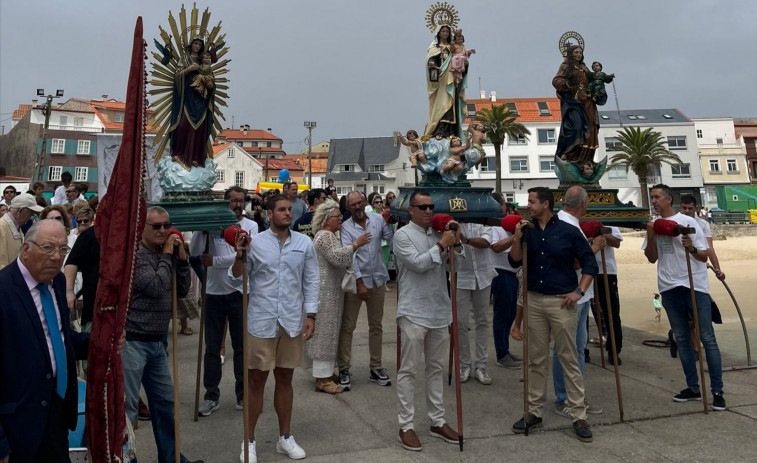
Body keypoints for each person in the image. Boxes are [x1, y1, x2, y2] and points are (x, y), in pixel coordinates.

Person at [0, 219, 112, 461]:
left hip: (56, 412)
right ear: (26, 248)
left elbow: (61, 338)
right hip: (16, 424)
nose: (56, 257)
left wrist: (102, 343)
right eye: (48, 248)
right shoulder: (4, 290)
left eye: (63, 250)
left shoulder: (57, 283)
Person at [231, 194, 319, 462]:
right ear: (269, 214)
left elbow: (312, 279)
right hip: (261, 320)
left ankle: (285, 437)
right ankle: (248, 441)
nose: (287, 214)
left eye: (289, 210)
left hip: (291, 321)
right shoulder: (254, 243)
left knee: (285, 379)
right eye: (281, 210)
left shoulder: (304, 243)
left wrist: (311, 314)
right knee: (256, 381)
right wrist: (240, 256)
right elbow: (236, 277)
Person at [509, 187, 598, 443]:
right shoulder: (527, 232)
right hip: (534, 300)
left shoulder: (569, 231)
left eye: (532, 201)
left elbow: (589, 263)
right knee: (535, 358)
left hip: (562, 302)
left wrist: (579, 292)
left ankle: (579, 414)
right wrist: (516, 237)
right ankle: (534, 412)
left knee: (568, 358)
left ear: (546, 204)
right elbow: (515, 261)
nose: (528, 205)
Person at [121, 206, 202, 463]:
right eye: (156, 226)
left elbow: (182, 288)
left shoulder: (166, 253)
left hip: (157, 341)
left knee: (165, 405)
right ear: (142, 228)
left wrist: (181, 259)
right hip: (133, 340)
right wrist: (168, 255)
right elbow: (156, 287)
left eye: (166, 225)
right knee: (128, 408)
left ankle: (170, 458)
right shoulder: (137, 256)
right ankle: (125, 457)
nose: (163, 231)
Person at [643, 184, 726, 411]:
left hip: (693, 285)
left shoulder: (689, 222)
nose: (654, 201)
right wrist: (650, 236)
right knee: (681, 339)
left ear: (669, 199)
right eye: (652, 197)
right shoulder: (655, 225)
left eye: (657, 197)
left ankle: (717, 391)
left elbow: (702, 256)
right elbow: (651, 258)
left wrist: (690, 248)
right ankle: (693, 387)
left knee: (707, 338)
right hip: (669, 287)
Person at [394, 190, 462, 452]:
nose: (428, 211)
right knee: (408, 369)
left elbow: (459, 258)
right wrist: (443, 244)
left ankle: (437, 421)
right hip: (413, 310)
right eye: (422, 207)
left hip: (439, 309)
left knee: (436, 369)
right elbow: (418, 264)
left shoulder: (439, 232)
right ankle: (406, 425)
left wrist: (455, 237)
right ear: (411, 210)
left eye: (431, 207)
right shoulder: (402, 235)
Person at [191, 186, 258, 417]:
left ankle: (242, 395)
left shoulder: (251, 226)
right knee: (211, 347)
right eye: (233, 201)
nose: (238, 204)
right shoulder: (212, 226)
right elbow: (196, 253)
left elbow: (246, 255)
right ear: (226, 203)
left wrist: (216, 261)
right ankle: (211, 396)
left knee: (241, 346)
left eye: (241, 201)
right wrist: (203, 229)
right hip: (213, 293)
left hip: (239, 292)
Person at [552, 186, 606, 417]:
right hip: (571, 294)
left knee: (577, 348)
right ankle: (566, 398)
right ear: (584, 205)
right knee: (567, 349)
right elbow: (575, 262)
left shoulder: (568, 222)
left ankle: (577, 395)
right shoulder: (566, 225)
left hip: (582, 294)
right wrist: (596, 246)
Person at [306, 200, 369, 394]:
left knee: (329, 331)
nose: (341, 219)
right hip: (325, 293)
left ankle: (323, 374)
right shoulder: (326, 236)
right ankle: (323, 380)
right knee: (325, 332)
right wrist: (355, 245)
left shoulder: (326, 235)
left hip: (329, 290)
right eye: (337, 217)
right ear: (326, 220)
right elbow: (337, 258)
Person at [338, 191, 394, 390]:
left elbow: (389, 237)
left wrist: (390, 221)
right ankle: (344, 368)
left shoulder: (377, 220)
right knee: (348, 326)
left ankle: (375, 367)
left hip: (378, 278)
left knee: (376, 326)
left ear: (365, 202)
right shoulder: (345, 228)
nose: (357, 207)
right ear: (348, 207)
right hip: (356, 282)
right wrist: (360, 283)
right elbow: (350, 257)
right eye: (352, 204)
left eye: (359, 202)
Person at [169, 37, 217, 169]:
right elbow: (177, 75)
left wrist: (209, 84)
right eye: (195, 43)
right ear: (191, 44)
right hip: (186, 97)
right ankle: (179, 153)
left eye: (200, 44)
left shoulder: (204, 60)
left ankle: (196, 157)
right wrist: (189, 69)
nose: (197, 46)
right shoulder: (185, 58)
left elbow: (211, 79)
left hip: (201, 100)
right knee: (183, 124)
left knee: (200, 127)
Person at [553, 45, 602, 165]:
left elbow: (594, 81)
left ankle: (587, 160)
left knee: (591, 129)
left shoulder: (584, 67)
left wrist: (599, 88)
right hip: (574, 102)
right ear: (570, 53)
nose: (578, 54)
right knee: (576, 126)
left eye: (580, 52)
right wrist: (568, 83)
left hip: (588, 103)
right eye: (576, 52)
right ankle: (570, 156)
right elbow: (556, 81)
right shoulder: (565, 66)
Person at [490, 201, 524, 369]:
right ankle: (501, 353)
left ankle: (505, 349)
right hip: (499, 272)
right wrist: (515, 236)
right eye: (505, 208)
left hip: (512, 273)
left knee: (510, 313)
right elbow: (495, 247)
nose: (508, 210)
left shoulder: (512, 229)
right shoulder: (495, 227)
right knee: (502, 315)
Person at [425, 25, 464, 139]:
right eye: (443, 31)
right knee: (442, 104)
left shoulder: (454, 46)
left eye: (447, 31)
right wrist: (432, 63)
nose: (445, 33)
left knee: (452, 104)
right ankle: (439, 130)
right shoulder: (434, 48)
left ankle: (451, 131)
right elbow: (431, 60)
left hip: (452, 78)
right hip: (441, 81)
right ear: (438, 33)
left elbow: (461, 57)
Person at [592, 225, 624, 365]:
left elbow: (616, 242)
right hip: (583, 268)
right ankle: (582, 349)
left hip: (606, 270)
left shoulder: (609, 220)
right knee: (581, 310)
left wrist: (602, 233)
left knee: (612, 312)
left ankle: (614, 349)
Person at [680, 195, 725, 280]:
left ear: (696, 208)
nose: (687, 211)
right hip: (680, 267)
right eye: (684, 208)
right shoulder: (675, 222)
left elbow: (709, 248)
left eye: (690, 208)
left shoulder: (703, 224)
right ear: (680, 207)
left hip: (698, 264)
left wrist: (717, 270)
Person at [1, 193, 43, 270]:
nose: (32, 215)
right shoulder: (1, 227)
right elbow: (1, 263)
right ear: (21, 210)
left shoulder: (17, 227)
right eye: (31, 212)